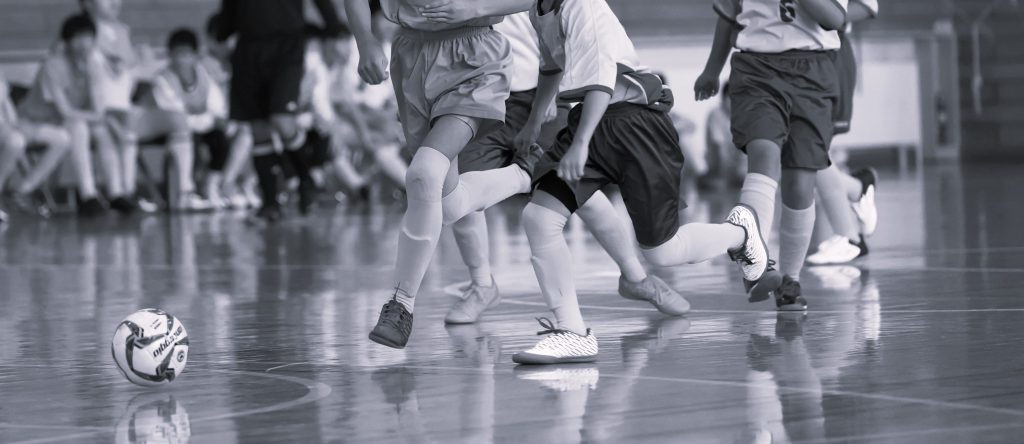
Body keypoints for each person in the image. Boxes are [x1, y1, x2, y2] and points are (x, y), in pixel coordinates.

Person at [510, 0, 773, 365]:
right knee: (539, 218)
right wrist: (534, 121)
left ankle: (740, 233)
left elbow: (601, 79)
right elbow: (551, 67)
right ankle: (572, 332)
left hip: (635, 125)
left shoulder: (581, 5)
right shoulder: (538, 10)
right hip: (590, 118)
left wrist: (581, 144)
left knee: (662, 251)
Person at [440, 11, 691, 325]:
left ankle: (635, 277)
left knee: (580, 193)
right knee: (460, 189)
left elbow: (558, 44)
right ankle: (481, 286)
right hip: (480, 95)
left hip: (538, 95)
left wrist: (548, 95)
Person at [347, 0, 544, 349]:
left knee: (423, 174)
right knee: (449, 205)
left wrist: (471, 8)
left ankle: (401, 304)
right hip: (410, 55)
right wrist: (365, 39)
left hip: (475, 55)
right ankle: (524, 175)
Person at [695, 0, 849, 311]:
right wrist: (712, 71)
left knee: (800, 181)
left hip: (814, 70)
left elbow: (835, 19)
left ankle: (790, 280)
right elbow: (728, 15)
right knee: (763, 153)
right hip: (757, 69)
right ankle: (755, 263)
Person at [215, 0, 346, 220]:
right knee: (258, 128)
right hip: (248, 48)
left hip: (286, 46)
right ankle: (270, 201)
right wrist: (223, 30)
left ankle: (305, 179)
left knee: (282, 120)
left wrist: (333, 27)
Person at [806, 0, 880, 265]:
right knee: (798, 151)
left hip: (828, 55)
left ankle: (849, 237)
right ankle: (858, 187)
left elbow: (868, 7)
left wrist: (814, 11)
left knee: (809, 148)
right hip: (794, 58)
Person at [17, 13, 111, 217]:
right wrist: (96, 116)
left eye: (87, 37)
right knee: (72, 130)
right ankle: (25, 190)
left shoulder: (93, 67)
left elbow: (99, 107)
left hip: (59, 124)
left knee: (78, 129)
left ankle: (92, 194)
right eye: (77, 38)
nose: (83, 44)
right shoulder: (53, 65)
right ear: (66, 42)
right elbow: (66, 111)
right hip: (30, 123)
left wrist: (97, 110)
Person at [151, 28, 236, 210]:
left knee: (222, 139)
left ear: (195, 55)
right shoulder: (163, 79)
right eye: (177, 54)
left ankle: (212, 185)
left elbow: (216, 107)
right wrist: (204, 121)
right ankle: (185, 192)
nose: (182, 59)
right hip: (173, 129)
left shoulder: (204, 75)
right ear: (170, 55)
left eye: (187, 54)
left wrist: (212, 121)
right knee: (185, 135)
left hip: (202, 126)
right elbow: (173, 113)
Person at [0, 74, 73, 222]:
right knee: (16, 142)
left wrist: (15, 124)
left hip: (9, 126)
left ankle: (23, 190)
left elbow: (7, 107)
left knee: (62, 138)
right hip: (5, 130)